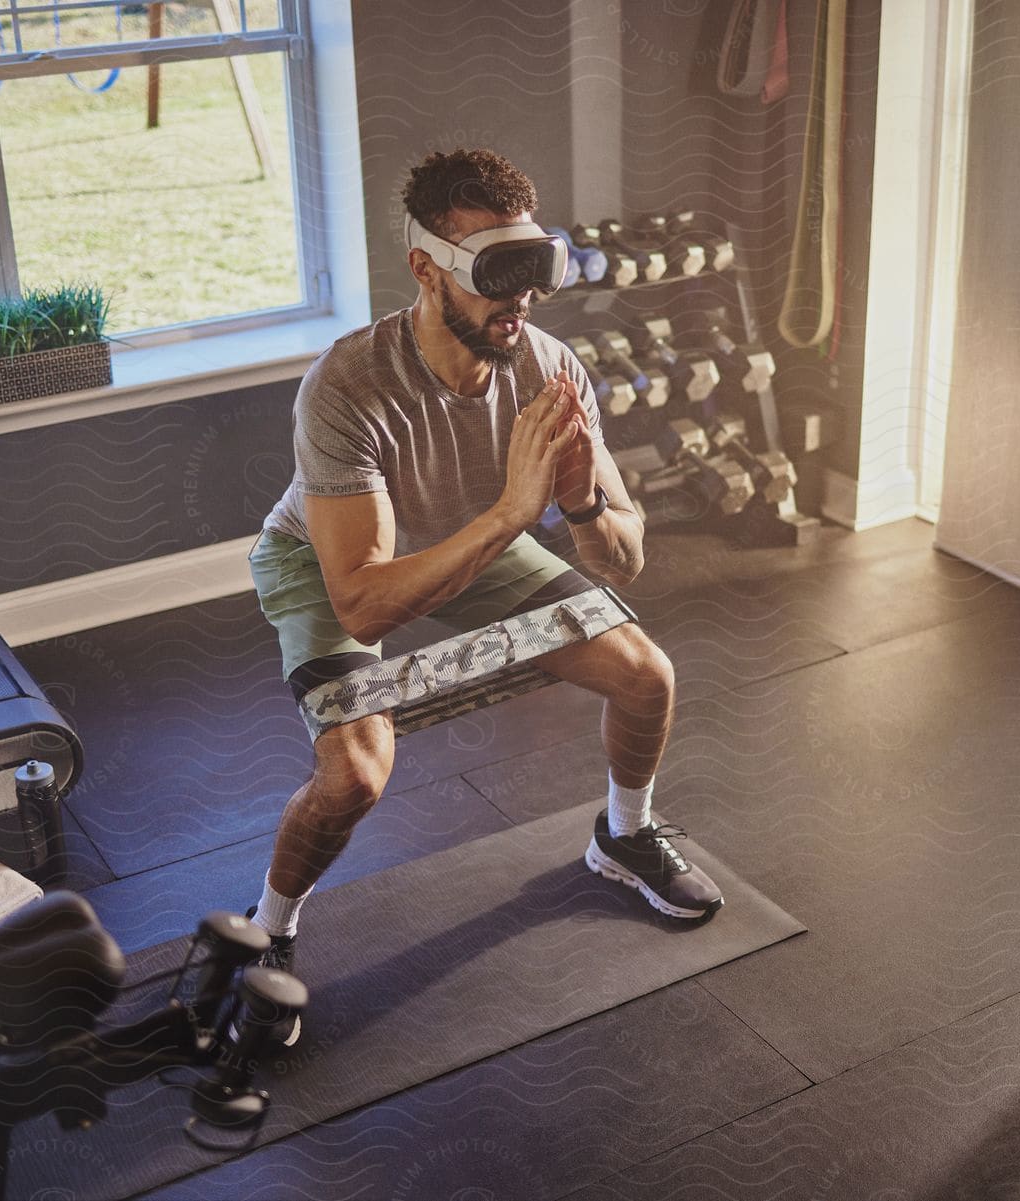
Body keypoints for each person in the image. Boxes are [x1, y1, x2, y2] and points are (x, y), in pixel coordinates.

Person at [244, 148, 723, 1042]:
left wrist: (579, 499)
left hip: (477, 534)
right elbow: (366, 605)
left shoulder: (550, 366)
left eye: (533, 272)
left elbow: (623, 561)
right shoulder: (346, 386)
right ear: (427, 268)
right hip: (326, 561)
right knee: (354, 773)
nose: (522, 300)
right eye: (496, 277)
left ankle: (623, 836)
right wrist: (512, 510)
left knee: (645, 675)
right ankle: (268, 929)